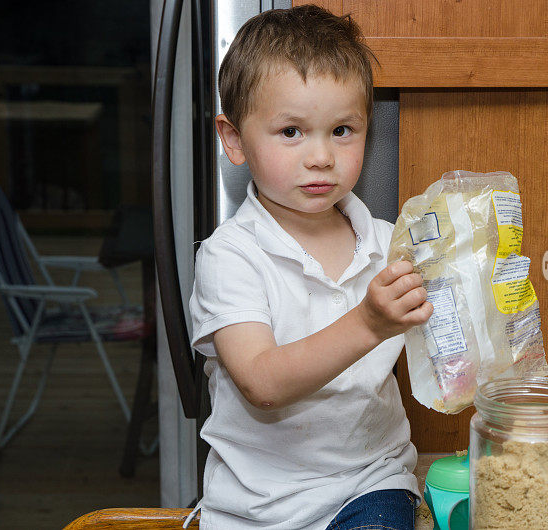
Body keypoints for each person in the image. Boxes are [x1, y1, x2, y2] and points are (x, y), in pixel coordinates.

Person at [189, 5, 433, 529]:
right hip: (258, 506)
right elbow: (262, 382)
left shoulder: (389, 246)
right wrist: (369, 323)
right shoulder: (229, 257)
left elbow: (447, 353)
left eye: (342, 129)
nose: (321, 156)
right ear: (233, 140)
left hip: (371, 483)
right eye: (292, 132)